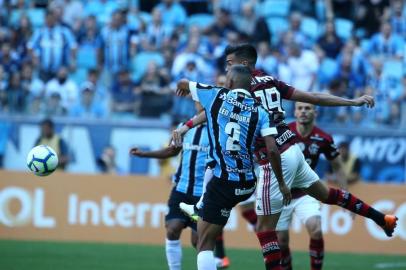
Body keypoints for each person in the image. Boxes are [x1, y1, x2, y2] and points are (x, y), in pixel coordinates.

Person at [175, 44, 398, 270]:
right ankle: (382, 218)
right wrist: (352, 101)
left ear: (243, 65)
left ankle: (202, 208)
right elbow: (312, 97)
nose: (227, 68)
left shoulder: (238, 90)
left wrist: (186, 126)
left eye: (230, 64)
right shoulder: (271, 81)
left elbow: (215, 108)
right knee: (326, 194)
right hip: (293, 148)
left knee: (264, 229)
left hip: (274, 159)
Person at [175, 65, 291, 270]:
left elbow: (183, 82)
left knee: (204, 243)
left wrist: (184, 87)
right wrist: (281, 184)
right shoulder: (260, 111)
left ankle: (200, 207)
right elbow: (273, 151)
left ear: (229, 83)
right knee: (216, 218)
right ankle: (201, 206)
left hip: (223, 182)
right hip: (247, 183)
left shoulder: (216, 95)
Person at [129, 102, 219, 270]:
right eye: (197, 100)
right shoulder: (184, 127)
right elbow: (172, 151)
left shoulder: (217, 130)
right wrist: (143, 154)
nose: (200, 103)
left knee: (198, 241)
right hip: (181, 188)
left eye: (203, 100)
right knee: (172, 228)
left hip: (203, 195)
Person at [277, 102, 347, 270]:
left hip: (306, 192)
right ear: (294, 111)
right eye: (300, 108)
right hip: (281, 193)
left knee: (315, 229)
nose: (303, 112)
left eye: (307, 108)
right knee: (281, 242)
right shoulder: (284, 132)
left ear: (315, 112)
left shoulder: (324, 138)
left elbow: (337, 165)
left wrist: (345, 195)